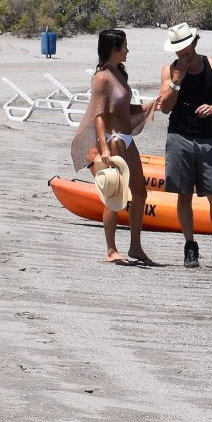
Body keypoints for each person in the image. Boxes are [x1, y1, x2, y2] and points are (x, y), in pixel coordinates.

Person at [71, 29, 157, 266]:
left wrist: (149, 106)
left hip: (126, 138)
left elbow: (123, 110)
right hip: (111, 140)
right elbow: (99, 115)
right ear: (114, 48)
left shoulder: (119, 73)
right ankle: (111, 250)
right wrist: (104, 148)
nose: (128, 50)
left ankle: (135, 247)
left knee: (140, 193)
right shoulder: (102, 78)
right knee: (115, 195)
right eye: (124, 46)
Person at [157, 22, 212, 270]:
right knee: (183, 194)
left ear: (194, 42)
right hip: (178, 136)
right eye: (178, 50)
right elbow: (165, 108)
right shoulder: (169, 70)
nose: (183, 53)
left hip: (206, 138)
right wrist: (176, 81)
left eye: (186, 47)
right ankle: (190, 246)